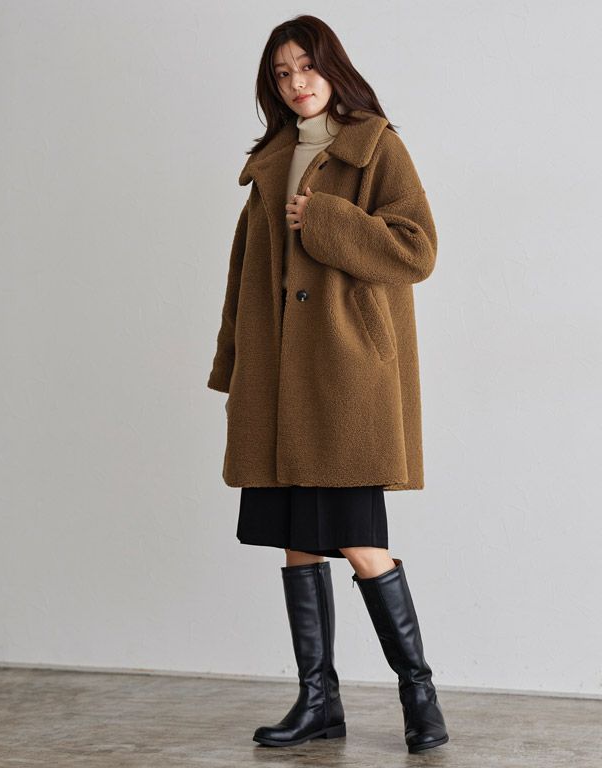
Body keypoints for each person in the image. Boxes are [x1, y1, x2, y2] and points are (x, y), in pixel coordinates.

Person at [207, 14, 449, 754]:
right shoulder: (272, 159)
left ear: (332, 67)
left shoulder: (376, 146)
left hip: (345, 377)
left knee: (360, 541)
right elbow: (245, 273)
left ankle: (419, 694)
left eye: (306, 66)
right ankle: (318, 702)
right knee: (296, 543)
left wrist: (328, 219)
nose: (296, 82)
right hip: (279, 380)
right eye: (281, 73)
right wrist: (232, 364)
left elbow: (417, 251)